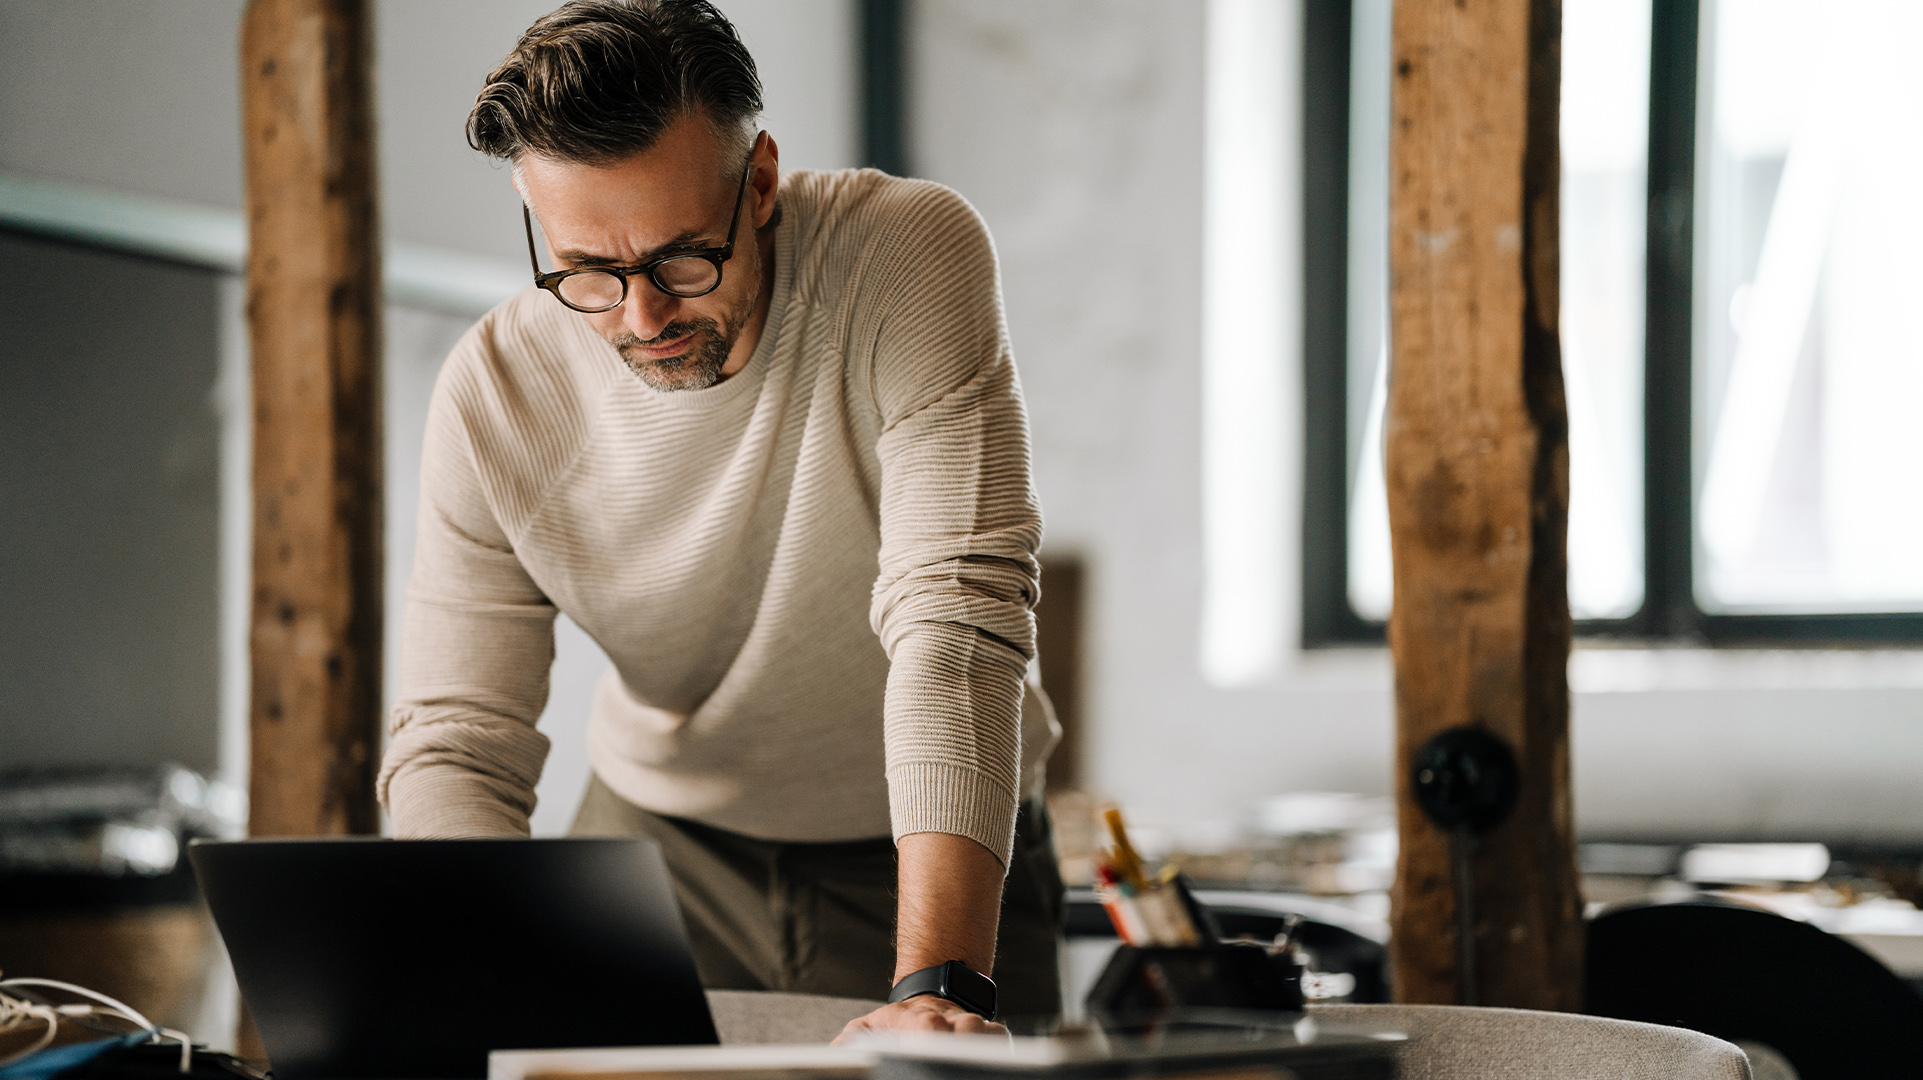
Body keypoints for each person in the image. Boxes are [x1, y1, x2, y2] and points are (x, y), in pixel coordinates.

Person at [375, 0, 1063, 1035]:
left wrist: (940, 987)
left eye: (683, 258)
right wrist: (474, 964)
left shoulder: (904, 259)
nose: (642, 318)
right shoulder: (495, 395)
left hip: (928, 849)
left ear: (764, 181)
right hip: (657, 853)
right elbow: (458, 740)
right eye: (589, 273)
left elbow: (956, 624)